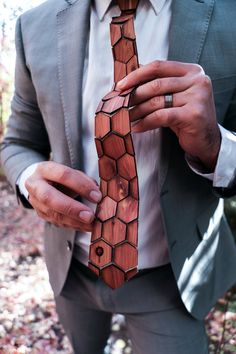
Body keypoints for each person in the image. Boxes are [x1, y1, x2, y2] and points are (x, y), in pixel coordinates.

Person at [1, 0, 236, 353]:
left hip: (172, 279)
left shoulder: (228, 16)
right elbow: (18, 143)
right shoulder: (34, 26)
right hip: (72, 270)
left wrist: (214, 144)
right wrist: (29, 177)